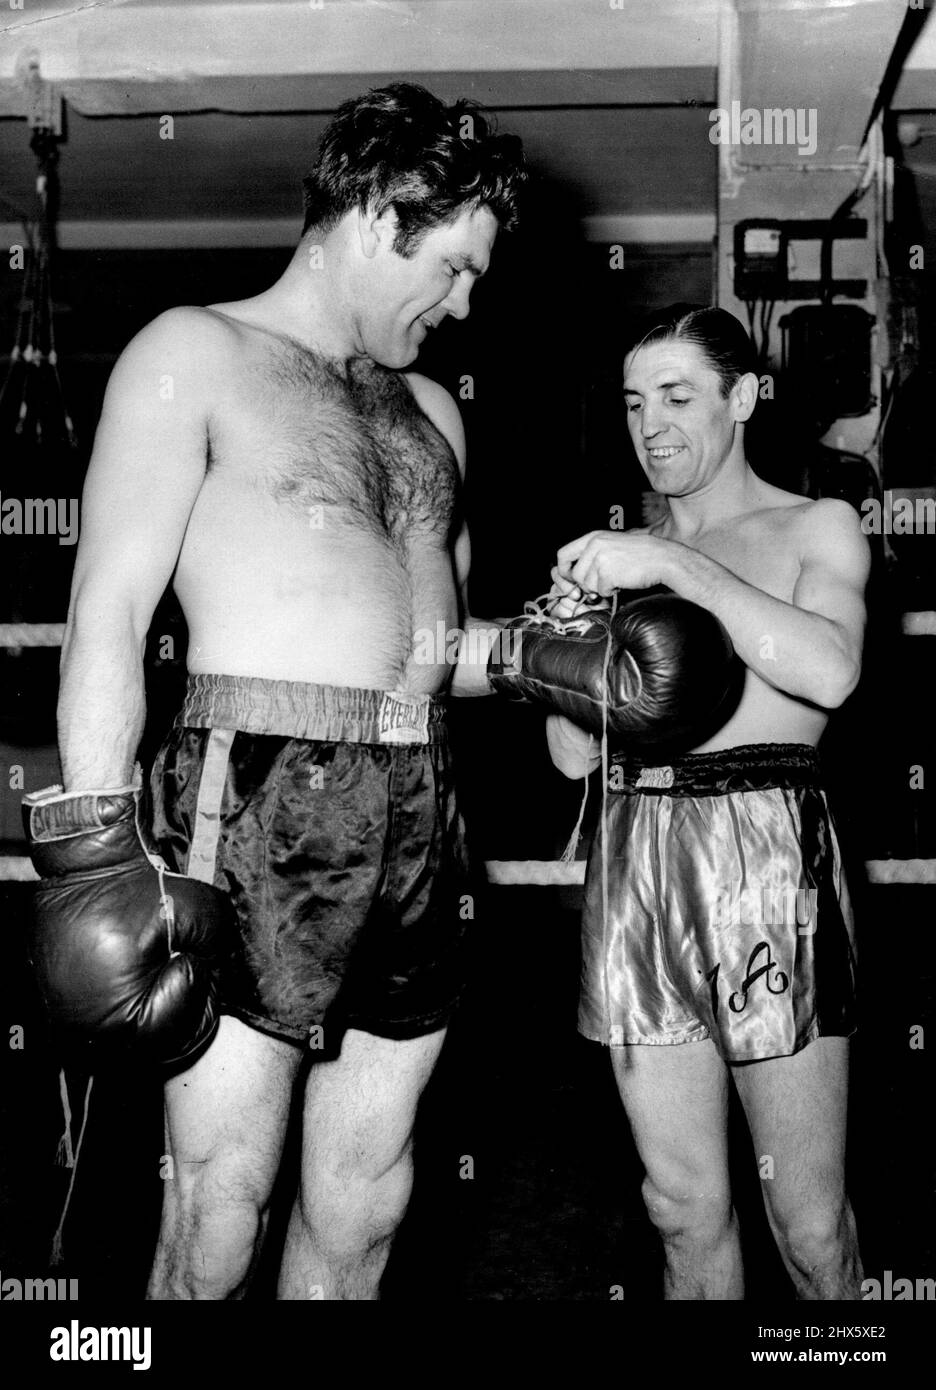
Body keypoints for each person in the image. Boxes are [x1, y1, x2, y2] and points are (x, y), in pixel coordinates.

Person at [29, 83, 526, 1300]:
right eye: (454, 267)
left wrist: (555, 663)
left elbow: (436, 644)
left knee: (366, 1201)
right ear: (379, 213)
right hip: (256, 794)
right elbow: (107, 612)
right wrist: (96, 851)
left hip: (421, 803)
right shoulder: (193, 352)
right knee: (220, 1206)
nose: (465, 303)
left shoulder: (435, 415)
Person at [547, 305, 869, 1300]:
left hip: (768, 851)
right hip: (638, 854)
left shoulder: (817, 525)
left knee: (808, 1226)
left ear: (743, 398)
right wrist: (566, 651)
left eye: (678, 396)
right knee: (680, 1208)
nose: (651, 423)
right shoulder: (616, 559)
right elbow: (569, 756)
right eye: (634, 402)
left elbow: (830, 671)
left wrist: (678, 567)